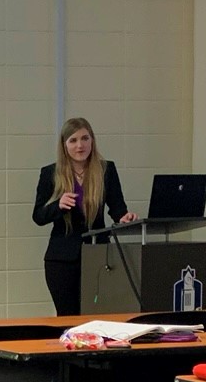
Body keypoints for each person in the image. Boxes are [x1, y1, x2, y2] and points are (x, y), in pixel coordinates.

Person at [31, 116, 139, 315]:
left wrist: (124, 218)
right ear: (64, 145)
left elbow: (118, 209)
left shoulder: (106, 170)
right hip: (62, 259)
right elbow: (38, 216)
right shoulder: (50, 173)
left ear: (92, 141)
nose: (80, 145)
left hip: (98, 256)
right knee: (68, 316)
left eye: (84, 138)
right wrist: (58, 206)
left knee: (98, 314)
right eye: (73, 140)